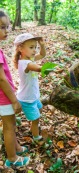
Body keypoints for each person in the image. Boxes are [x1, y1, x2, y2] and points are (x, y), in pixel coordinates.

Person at [0, 9, 30, 168]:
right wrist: (14, 100)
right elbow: (1, 79)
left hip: (4, 96)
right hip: (4, 98)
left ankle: (16, 148)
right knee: (9, 127)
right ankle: (12, 158)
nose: (6, 30)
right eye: (1, 27)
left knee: (11, 124)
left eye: (6, 26)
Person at [13, 32, 46, 143]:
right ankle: (36, 138)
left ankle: (18, 119)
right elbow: (39, 68)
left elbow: (42, 55)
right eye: (31, 47)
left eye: (35, 47)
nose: (34, 50)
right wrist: (52, 68)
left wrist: (42, 45)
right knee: (36, 119)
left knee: (40, 109)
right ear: (20, 48)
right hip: (27, 98)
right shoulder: (25, 64)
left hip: (33, 96)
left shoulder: (29, 59)